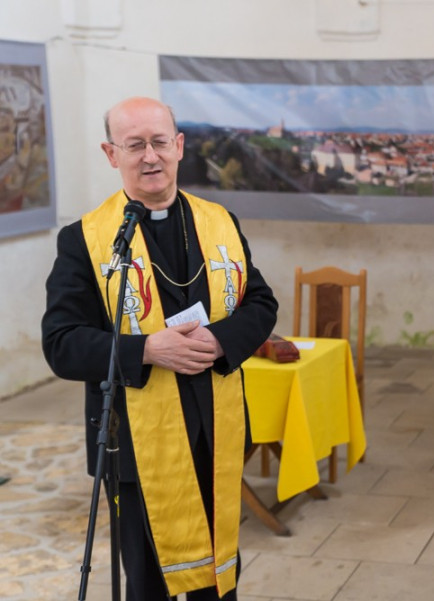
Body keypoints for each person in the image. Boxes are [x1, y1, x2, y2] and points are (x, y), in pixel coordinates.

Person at [42, 97, 278, 600]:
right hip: (133, 440)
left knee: (217, 575)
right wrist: (146, 349)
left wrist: (221, 338)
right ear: (111, 154)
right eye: (134, 145)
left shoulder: (220, 223)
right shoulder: (84, 240)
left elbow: (260, 302)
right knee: (149, 582)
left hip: (215, 426)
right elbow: (61, 343)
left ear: (179, 146)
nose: (150, 156)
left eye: (159, 142)